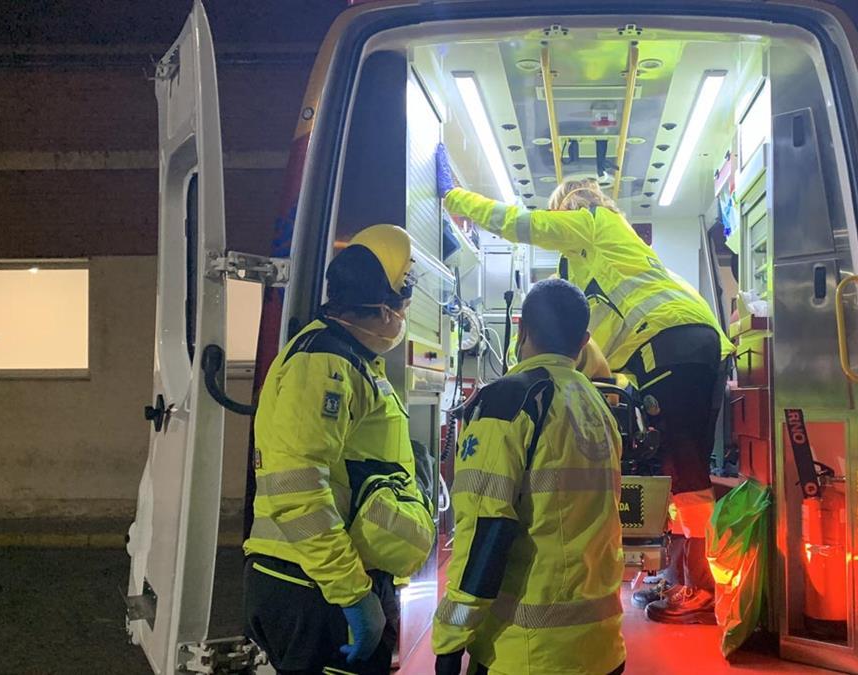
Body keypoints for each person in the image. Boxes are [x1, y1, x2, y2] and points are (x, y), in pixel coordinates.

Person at [437, 146, 733, 624]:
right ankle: (682, 577)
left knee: (686, 469)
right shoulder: (585, 269)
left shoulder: (596, 221)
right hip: (683, 344)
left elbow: (521, 224)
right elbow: (584, 354)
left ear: (569, 207)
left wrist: (458, 200)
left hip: (674, 342)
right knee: (678, 470)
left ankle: (699, 588)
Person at [243, 225, 435, 675]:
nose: (404, 312)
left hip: (323, 580)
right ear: (384, 304)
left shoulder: (349, 359)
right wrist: (350, 593)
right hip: (312, 585)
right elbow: (297, 489)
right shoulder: (325, 363)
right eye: (404, 300)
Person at [433, 279, 626, 675]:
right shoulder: (598, 407)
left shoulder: (509, 399)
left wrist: (451, 641)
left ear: (521, 331)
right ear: (584, 340)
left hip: (527, 653)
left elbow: (485, 531)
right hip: (603, 649)